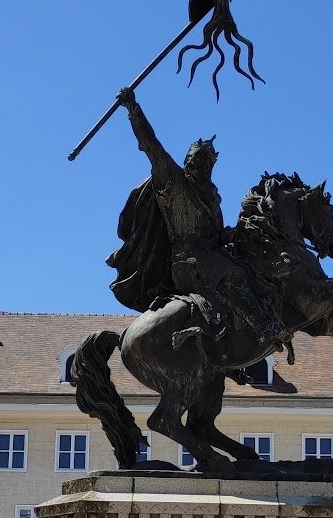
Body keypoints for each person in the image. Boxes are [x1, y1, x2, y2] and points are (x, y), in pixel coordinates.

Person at [110, 86, 288, 351]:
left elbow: (214, 235)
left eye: (204, 161)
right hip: (187, 261)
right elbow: (151, 146)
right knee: (233, 275)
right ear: (187, 161)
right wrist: (134, 110)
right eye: (194, 159)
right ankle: (264, 329)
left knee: (255, 270)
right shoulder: (174, 182)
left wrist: (230, 234)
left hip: (211, 255)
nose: (198, 164)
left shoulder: (212, 197)